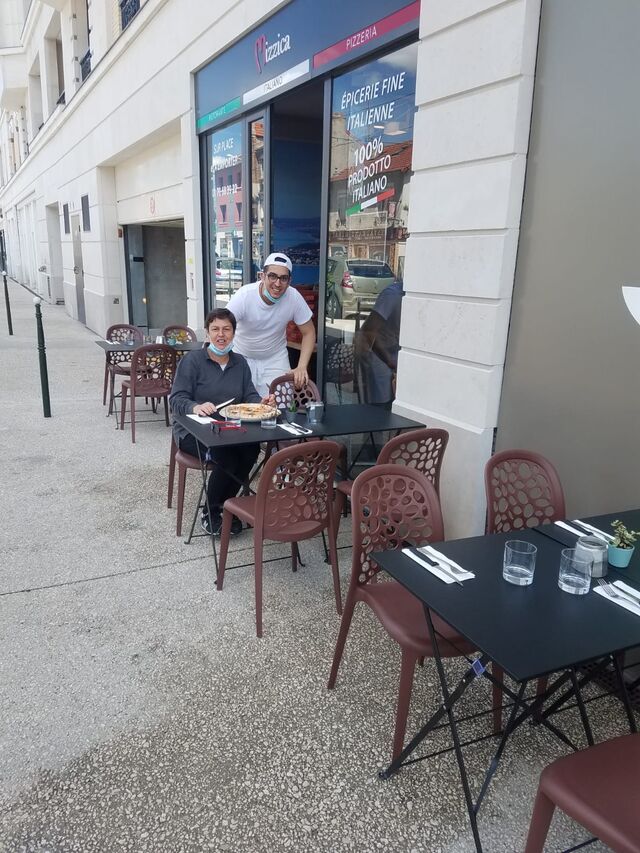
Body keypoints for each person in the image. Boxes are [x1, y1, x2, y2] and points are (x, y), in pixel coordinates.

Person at [170, 308, 274, 537]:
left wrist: (262, 402)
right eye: (215, 329)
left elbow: (249, 395)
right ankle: (211, 512)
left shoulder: (240, 362)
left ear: (234, 333)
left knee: (250, 450)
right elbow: (176, 398)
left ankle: (228, 507)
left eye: (226, 329)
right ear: (207, 333)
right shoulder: (192, 361)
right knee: (226, 456)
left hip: (229, 429)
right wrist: (195, 406)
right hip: (193, 431)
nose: (221, 334)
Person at [227, 252, 316, 396]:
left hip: (275, 358)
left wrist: (301, 366)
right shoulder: (244, 296)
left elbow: (309, 332)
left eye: (283, 278)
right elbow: (224, 325)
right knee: (240, 404)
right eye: (272, 276)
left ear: (289, 281)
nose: (278, 283)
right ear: (262, 276)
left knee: (281, 402)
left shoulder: (293, 297)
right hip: (242, 357)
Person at [354, 279, 403, 409]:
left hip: (397, 356)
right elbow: (368, 331)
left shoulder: (413, 296)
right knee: (380, 408)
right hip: (380, 357)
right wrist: (389, 361)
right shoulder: (392, 295)